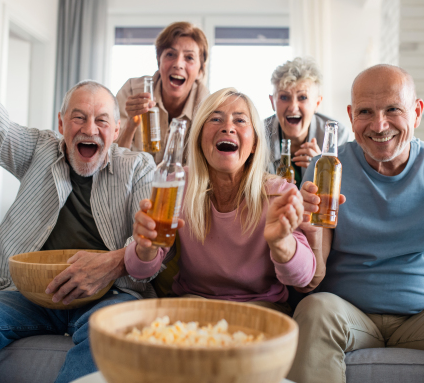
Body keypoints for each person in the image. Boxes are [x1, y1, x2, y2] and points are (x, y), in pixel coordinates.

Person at [0, 0, 159, 382]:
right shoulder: (39, 149)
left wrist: (112, 263)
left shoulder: (137, 167)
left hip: (106, 298)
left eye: (102, 120)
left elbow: (148, 258)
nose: (90, 129)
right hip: (28, 296)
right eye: (79, 118)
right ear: (61, 124)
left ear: (117, 129)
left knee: (115, 331)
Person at [289, 64, 424, 383]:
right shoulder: (328, 170)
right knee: (315, 309)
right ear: (351, 116)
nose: (379, 125)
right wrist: (306, 231)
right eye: (366, 111)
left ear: (417, 112)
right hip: (348, 315)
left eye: (393, 109)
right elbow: (312, 277)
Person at [125, 88, 317, 314]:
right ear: (199, 138)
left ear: (254, 143)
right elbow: (139, 271)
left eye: (240, 120)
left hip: (260, 309)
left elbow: (304, 278)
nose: (227, 127)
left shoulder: (278, 192)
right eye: (215, 119)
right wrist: (146, 247)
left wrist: (282, 243)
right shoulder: (177, 185)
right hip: (190, 303)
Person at [116, 22, 210, 164]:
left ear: (200, 70)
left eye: (189, 57)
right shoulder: (132, 91)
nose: (178, 64)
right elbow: (112, 161)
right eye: (170, 54)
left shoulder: (208, 109)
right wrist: (130, 125)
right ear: (159, 61)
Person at [265, 57, 349, 188]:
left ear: (317, 103)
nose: (293, 107)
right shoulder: (258, 135)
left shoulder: (336, 135)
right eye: (284, 97)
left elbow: (345, 190)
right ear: (272, 102)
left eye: (302, 97)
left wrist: (323, 169)